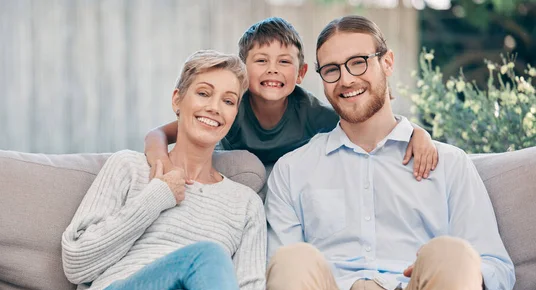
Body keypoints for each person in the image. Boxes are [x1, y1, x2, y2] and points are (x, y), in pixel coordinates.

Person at [264, 15, 515, 290]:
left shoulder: (449, 163)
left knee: (454, 253)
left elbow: (497, 268)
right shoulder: (293, 168)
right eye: (331, 70)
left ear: (387, 62)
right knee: (291, 259)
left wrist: (447, 273)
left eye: (358, 62)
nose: (346, 79)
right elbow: (281, 279)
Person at [61, 50, 266, 290]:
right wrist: (157, 196)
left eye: (228, 101)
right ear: (177, 100)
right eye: (203, 93)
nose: (215, 107)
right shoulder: (128, 166)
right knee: (207, 255)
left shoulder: (245, 203)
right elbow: (76, 261)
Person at [144, 17, 438, 182]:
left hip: (288, 180)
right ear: (242, 71)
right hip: (239, 177)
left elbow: (363, 120)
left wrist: (416, 132)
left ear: (301, 73)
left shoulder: (309, 111)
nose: (273, 69)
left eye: (284, 62)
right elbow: (160, 133)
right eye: (261, 60)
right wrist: (161, 162)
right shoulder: (231, 106)